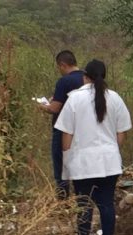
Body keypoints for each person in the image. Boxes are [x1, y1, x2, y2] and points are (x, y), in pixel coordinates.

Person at [54, 59, 132, 235]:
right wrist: (111, 150)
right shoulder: (115, 98)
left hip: (83, 163)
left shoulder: (74, 99)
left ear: (85, 76)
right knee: (106, 204)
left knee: (84, 204)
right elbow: (121, 132)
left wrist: (67, 158)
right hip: (109, 162)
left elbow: (67, 135)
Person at [38, 50, 84, 199]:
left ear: (63, 65)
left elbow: (54, 108)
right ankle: (83, 198)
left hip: (63, 129)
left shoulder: (64, 81)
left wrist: (43, 106)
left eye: (59, 67)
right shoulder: (86, 79)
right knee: (80, 164)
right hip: (83, 129)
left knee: (61, 165)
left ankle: (63, 200)